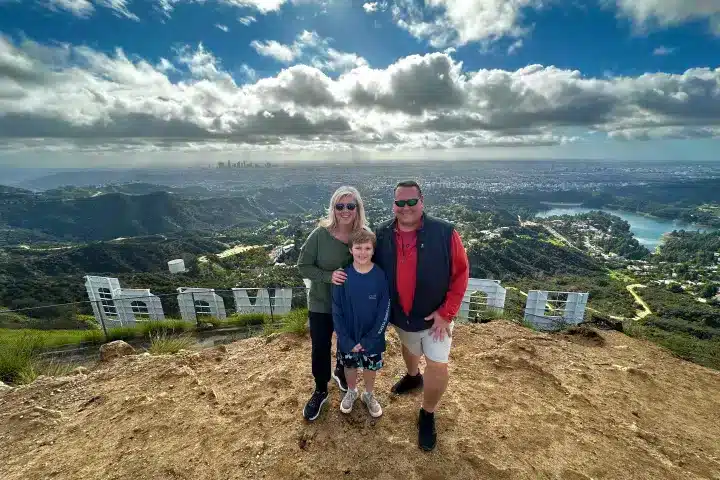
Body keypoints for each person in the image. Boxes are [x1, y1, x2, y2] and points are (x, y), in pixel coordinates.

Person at [373, 180, 469, 451]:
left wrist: (446, 314)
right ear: (393, 205)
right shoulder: (381, 235)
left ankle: (427, 412)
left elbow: (461, 275)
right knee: (409, 346)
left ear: (422, 201)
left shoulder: (445, 233)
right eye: (400, 202)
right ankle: (413, 375)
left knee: (437, 364)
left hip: (436, 317)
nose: (405, 208)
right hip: (402, 316)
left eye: (411, 201)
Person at [297, 185, 369, 422]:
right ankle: (320, 389)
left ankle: (340, 371)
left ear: (358, 208)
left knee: (347, 344)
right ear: (333, 208)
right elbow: (303, 266)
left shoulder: (363, 236)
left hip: (349, 305)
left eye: (350, 205)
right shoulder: (320, 235)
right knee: (320, 347)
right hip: (321, 302)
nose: (345, 210)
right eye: (340, 206)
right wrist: (328, 277)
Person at [332, 229, 390, 418]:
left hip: (372, 337)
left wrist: (371, 338)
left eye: (367, 248)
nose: (362, 252)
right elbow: (337, 310)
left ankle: (369, 394)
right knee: (349, 366)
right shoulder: (343, 276)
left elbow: (385, 310)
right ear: (350, 249)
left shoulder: (380, 276)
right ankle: (351, 391)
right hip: (348, 336)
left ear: (373, 250)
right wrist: (345, 338)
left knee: (370, 367)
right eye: (358, 248)